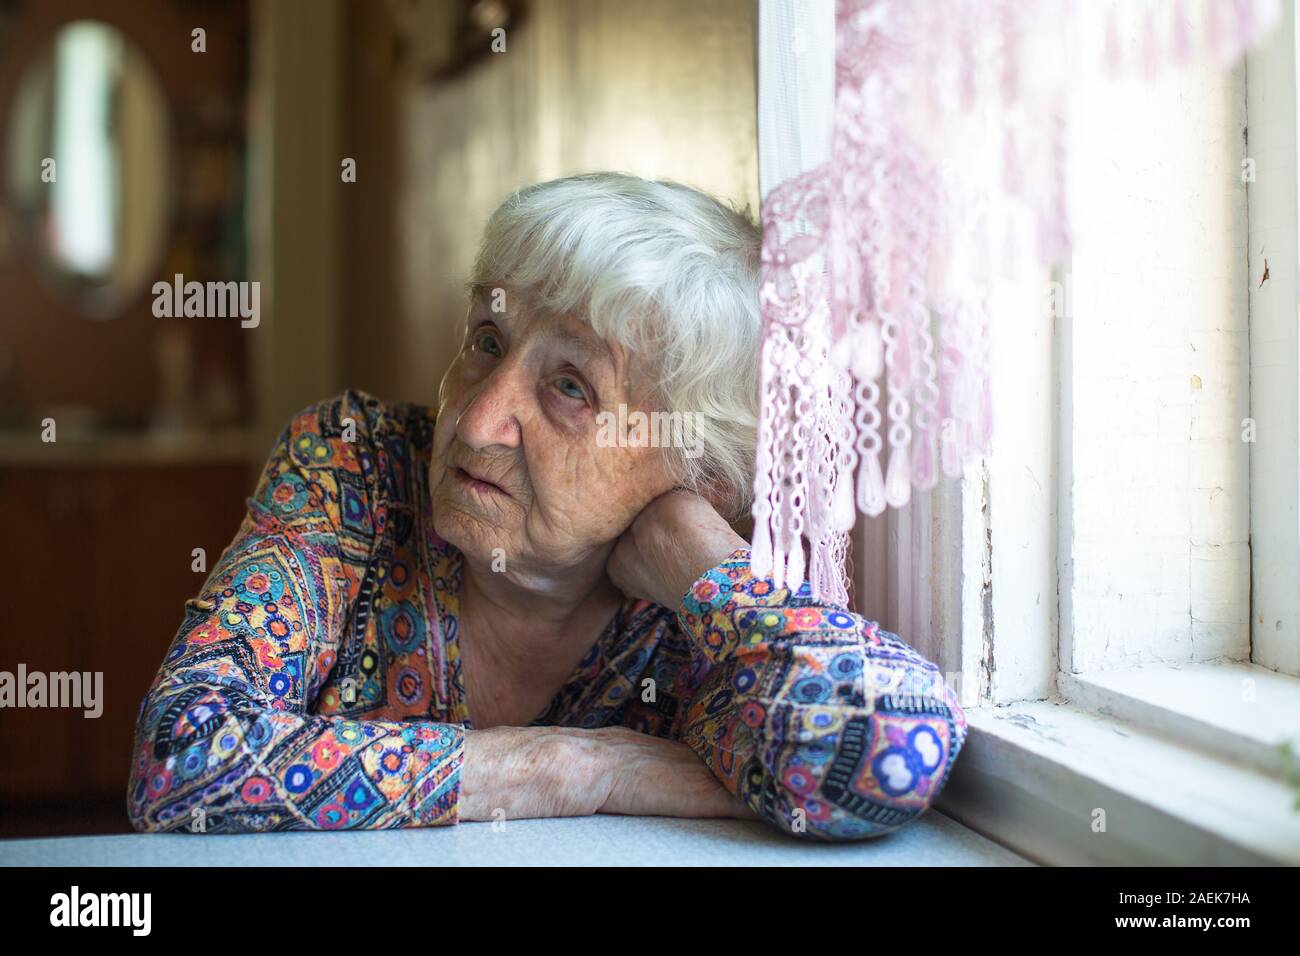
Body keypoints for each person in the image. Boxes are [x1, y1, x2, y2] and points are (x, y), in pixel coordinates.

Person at [127, 172, 966, 840]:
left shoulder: (691, 627)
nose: (482, 419)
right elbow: (180, 759)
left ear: (699, 470)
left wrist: (709, 568)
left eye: (571, 387)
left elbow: (889, 748)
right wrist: (585, 770)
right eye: (487, 341)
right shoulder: (357, 461)